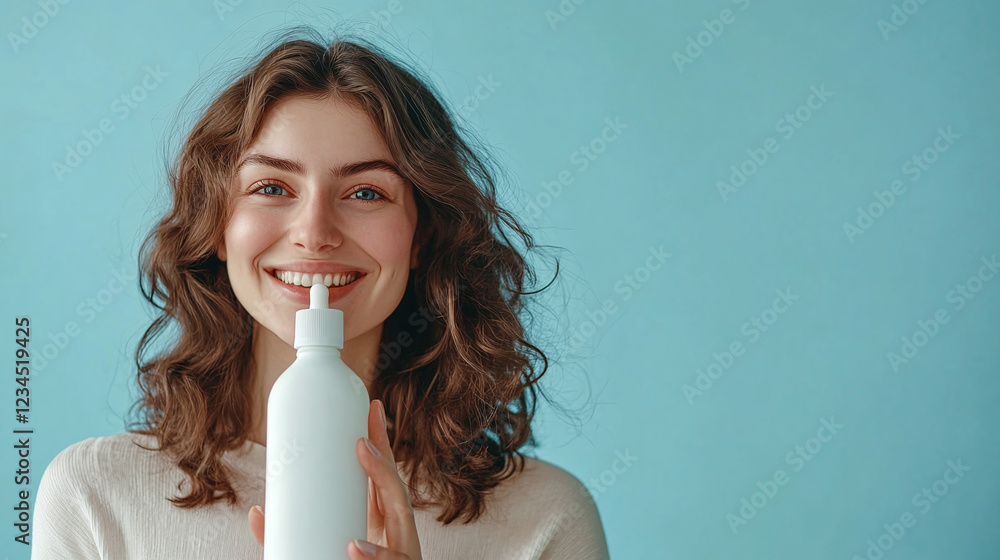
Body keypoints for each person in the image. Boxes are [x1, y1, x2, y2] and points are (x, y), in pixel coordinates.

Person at [31, 26, 610, 560]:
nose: (314, 233)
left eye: (365, 193)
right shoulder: (97, 497)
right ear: (219, 229)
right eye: (272, 186)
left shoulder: (543, 519)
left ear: (421, 237)